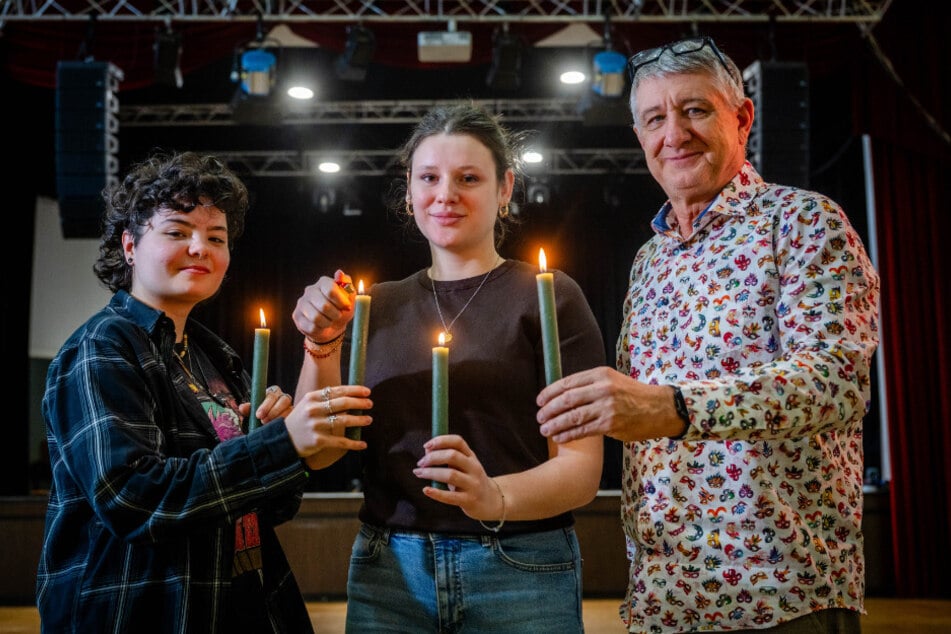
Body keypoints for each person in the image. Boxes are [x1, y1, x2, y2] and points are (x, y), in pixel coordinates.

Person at [535, 37, 880, 633]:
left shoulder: (802, 222)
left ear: (741, 118)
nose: (674, 133)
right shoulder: (649, 261)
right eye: (654, 118)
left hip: (779, 595)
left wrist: (673, 407)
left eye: (694, 109)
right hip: (665, 599)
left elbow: (835, 383)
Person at [291, 103, 605, 632]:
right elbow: (319, 454)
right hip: (390, 571)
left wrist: (494, 497)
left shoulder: (549, 298)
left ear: (505, 189)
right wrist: (320, 345)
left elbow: (580, 470)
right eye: (429, 177)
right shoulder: (374, 306)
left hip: (521, 566)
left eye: (469, 178)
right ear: (409, 190)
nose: (445, 195)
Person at [36, 150, 371, 633]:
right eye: (176, 232)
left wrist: (273, 439)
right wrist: (278, 445)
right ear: (130, 246)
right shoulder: (101, 348)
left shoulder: (213, 356)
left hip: (241, 604)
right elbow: (132, 500)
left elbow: (272, 506)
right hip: (142, 611)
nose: (201, 248)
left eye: (216, 237)